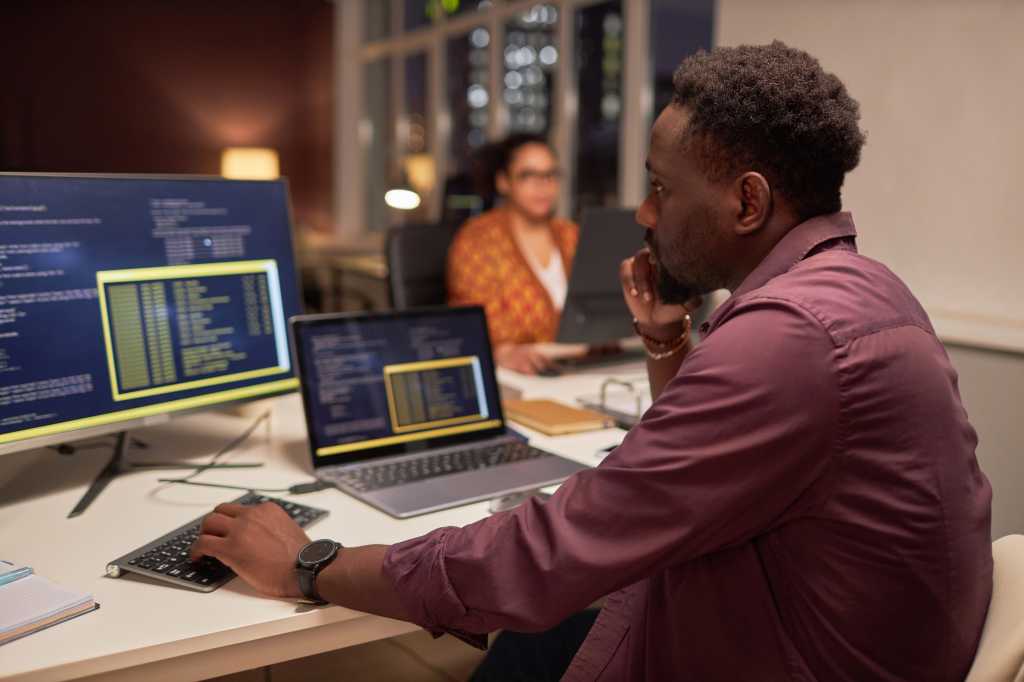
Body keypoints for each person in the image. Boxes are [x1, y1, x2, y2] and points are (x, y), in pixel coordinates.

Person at [190, 42, 992, 681]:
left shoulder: (789, 342)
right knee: (535, 636)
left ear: (747, 202)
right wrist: (666, 343)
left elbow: (548, 555)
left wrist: (310, 563)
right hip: (832, 632)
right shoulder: (862, 288)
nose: (644, 214)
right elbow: (704, 488)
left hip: (789, 655)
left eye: (660, 188)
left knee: (535, 595)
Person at [446, 133, 579, 374]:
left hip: (585, 368)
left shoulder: (572, 234)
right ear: (503, 182)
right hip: (515, 375)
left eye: (550, 175)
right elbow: (485, 332)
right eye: (528, 175)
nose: (543, 185)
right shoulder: (477, 240)